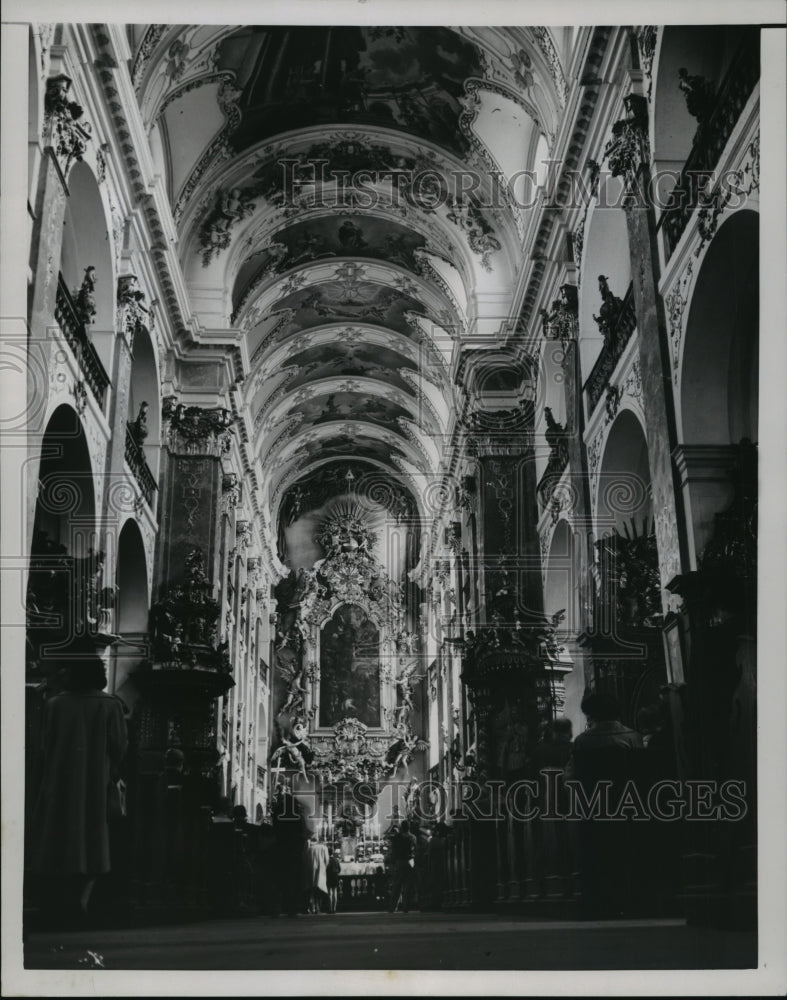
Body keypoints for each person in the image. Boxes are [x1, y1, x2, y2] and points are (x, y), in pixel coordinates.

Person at [32, 649, 127, 922]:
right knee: (93, 840)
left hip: (60, 781)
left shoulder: (55, 705)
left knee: (60, 837)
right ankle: (82, 901)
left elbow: (45, 747)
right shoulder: (111, 706)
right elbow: (120, 748)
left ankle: (58, 902)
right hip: (95, 783)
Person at [568, 691, 644, 918]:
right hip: (627, 806)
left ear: (590, 713)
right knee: (625, 852)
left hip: (593, 808)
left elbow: (574, 777)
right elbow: (641, 774)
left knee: (595, 855)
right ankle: (629, 899)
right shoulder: (632, 737)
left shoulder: (582, 741)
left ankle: (597, 902)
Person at [388, 819, 417, 913]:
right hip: (410, 861)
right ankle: (406, 907)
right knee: (408, 885)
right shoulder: (413, 837)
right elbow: (415, 850)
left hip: (400, 861)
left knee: (397, 885)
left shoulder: (397, 837)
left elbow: (394, 850)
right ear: (408, 828)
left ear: (401, 827)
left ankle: (393, 907)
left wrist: (393, 862)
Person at [303, 835, 330, 914]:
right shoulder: (324, 848)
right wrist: (324, 867)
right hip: (321, 870)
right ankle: (327, 908)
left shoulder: (309, 849)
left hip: (310, 870)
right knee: (323, 890)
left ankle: (307, 908)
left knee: (310, 889)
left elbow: (305, 860)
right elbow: (326, 860)